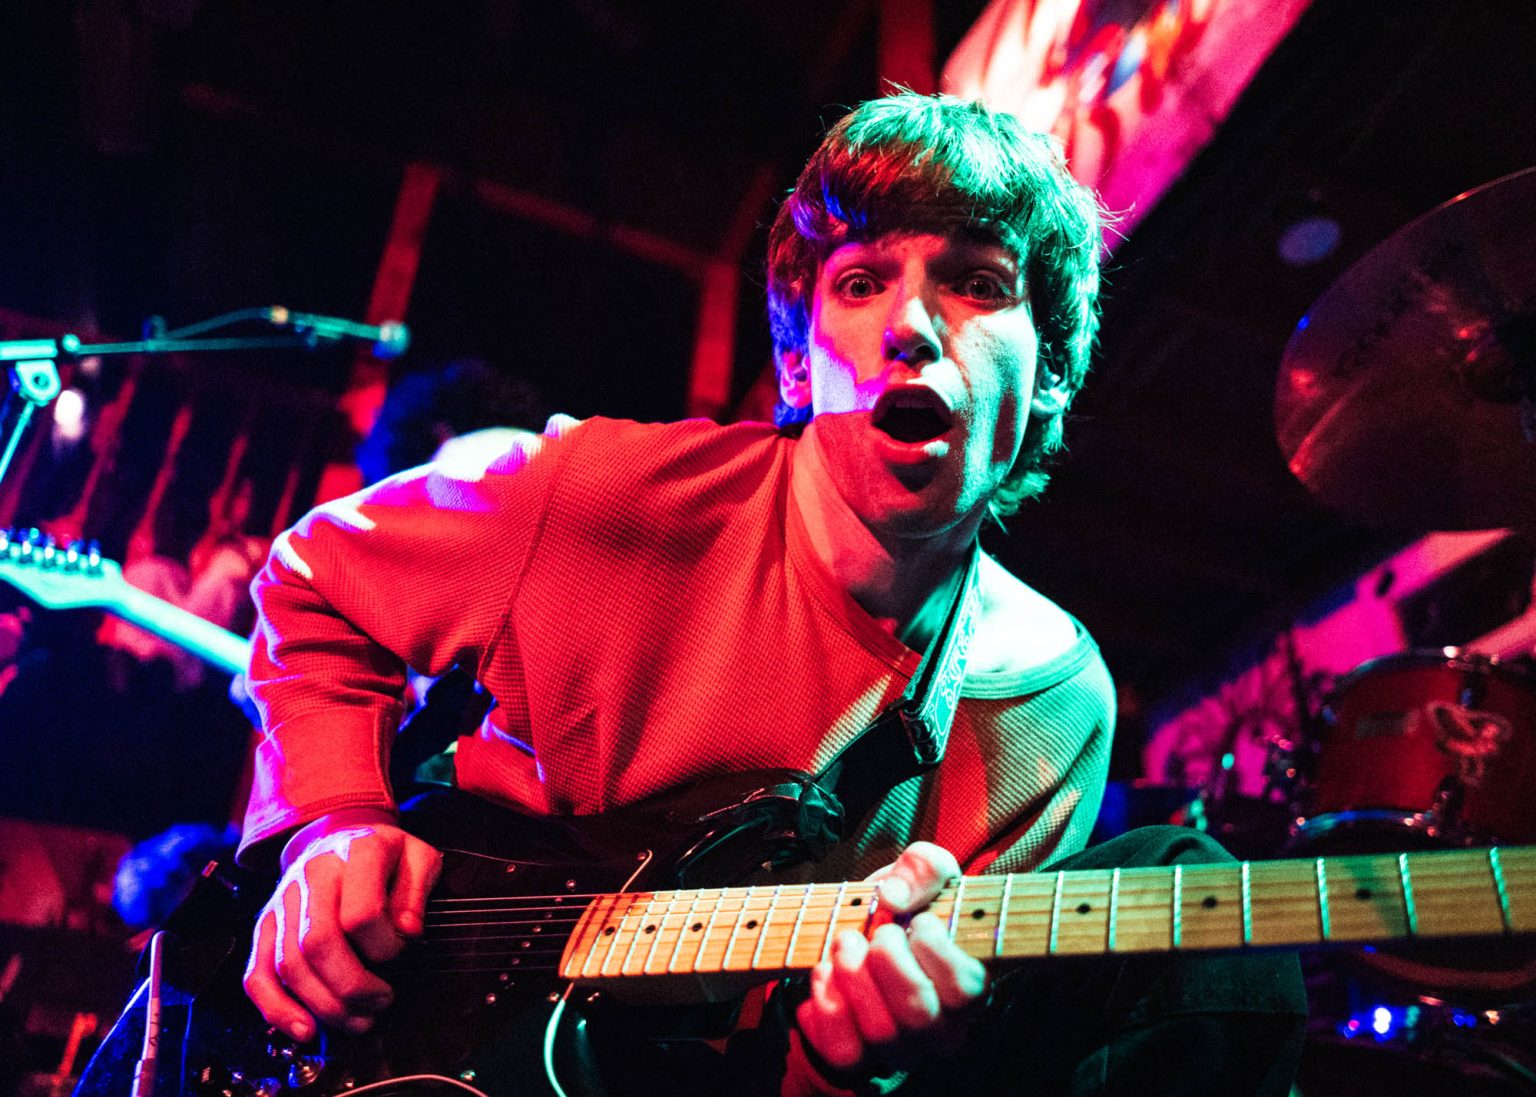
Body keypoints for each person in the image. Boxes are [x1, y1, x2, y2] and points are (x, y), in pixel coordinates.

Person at [237, 93, 1305, 1094]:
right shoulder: (595, 496)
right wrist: (330, 820)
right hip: (389, 1026)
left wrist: (867, 1059)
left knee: (1201, 940)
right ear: (798, 364)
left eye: (977, 281)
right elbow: (312, 584)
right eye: (860, 280)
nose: (912, 325)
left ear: (1055, 370)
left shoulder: (1056, 703)